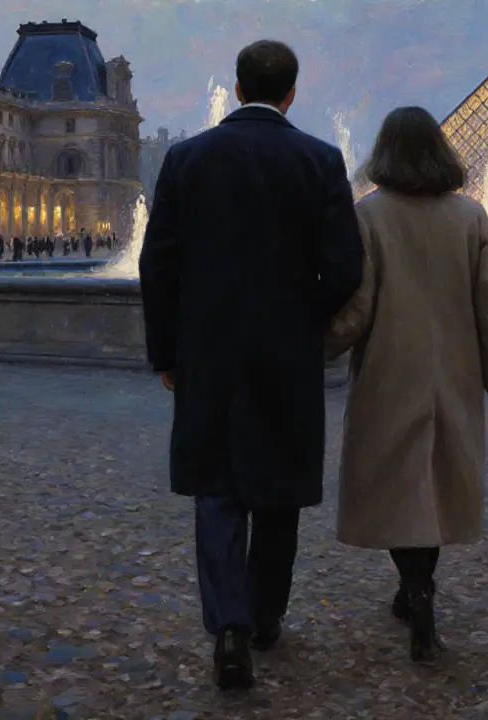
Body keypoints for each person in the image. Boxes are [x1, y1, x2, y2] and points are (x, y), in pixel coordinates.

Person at [139, 39, 363, 692]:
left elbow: (158, 267)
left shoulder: (186, 159)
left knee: (217, 491)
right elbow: (347, 268)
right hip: (285, 355)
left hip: (207, 353)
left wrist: (167, 352)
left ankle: (229, 626)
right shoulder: (320, 161)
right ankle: (264, 618)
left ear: (237, 90)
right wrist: (300, 318)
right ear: (291, 93)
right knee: (279, 490)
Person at [325, 106, 488, 663]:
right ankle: (420, 589)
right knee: (436, 486)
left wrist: (314, 348)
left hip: (390, 369)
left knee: (395, 485)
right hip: (453, 373)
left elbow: (357, 310)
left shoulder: (369, 215)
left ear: (383, 153)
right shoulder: (471, 216)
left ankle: (413, 588)